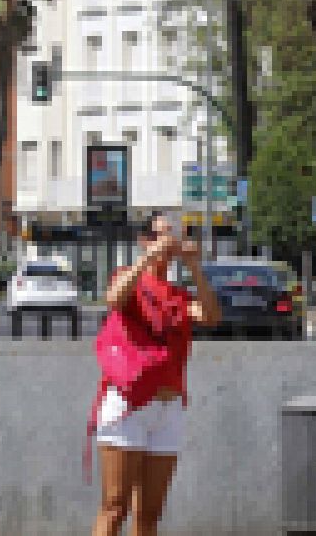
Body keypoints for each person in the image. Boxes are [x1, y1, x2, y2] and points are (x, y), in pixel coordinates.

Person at [91, 213, 220, 536]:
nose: (167, 243)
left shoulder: (177, 294)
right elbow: (113, 299)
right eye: (161, 235)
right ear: (145, 239)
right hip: (129, 404)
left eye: (173, 236)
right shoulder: (128, 277)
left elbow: (211, 316)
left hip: (168, 406)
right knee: (115, 506)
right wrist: (146, 258)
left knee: (149, 514)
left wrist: (193, 267)